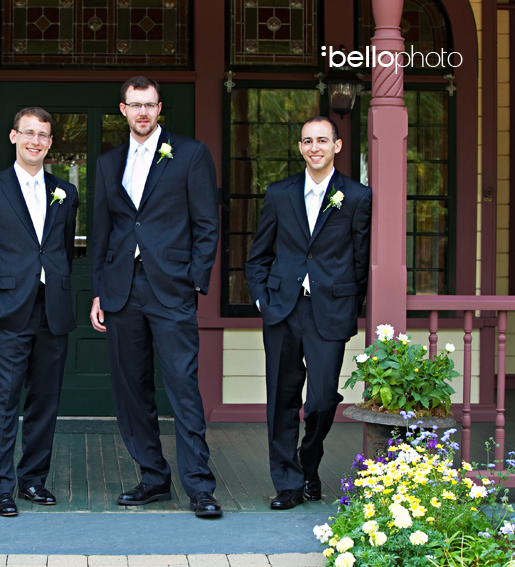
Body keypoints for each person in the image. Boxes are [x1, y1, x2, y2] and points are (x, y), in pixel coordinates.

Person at [90, 76, 222, 518]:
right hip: (122, 290)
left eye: (149, 105)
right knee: (132, 390)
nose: (142, 112)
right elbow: (102, 232)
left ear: (159, 108)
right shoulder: (109, 162)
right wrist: (99, 291)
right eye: (135, 105)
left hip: (171, 289)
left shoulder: (190, 153)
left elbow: (207, 224)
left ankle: (199, 486)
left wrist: (193, 280)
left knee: (182, 386)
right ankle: (152, 477)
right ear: (123, 109)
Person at [245, 116, 372, 510]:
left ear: (337, 145)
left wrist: (350, 307)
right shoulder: (279, 193)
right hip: (282, 309)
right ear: (300, 147)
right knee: (281, 398)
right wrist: (262, 299)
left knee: (321, 399)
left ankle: (308, 464)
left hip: (329, 311)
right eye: (307, 141)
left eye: (322, 140)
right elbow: (258, 255)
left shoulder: (357, 196)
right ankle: (288, 483)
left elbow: (361, 261)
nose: (314, 147)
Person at [0, 107, 79, 517]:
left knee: (45, 402)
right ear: (13, 137)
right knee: (4, 401)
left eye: (43, 135)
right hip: (9, 311)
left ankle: (33, 479)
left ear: (50, 143)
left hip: (53, 310)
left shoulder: (66, 192)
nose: (35, 141)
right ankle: (0, 488)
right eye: (28, 133)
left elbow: (62, 251)